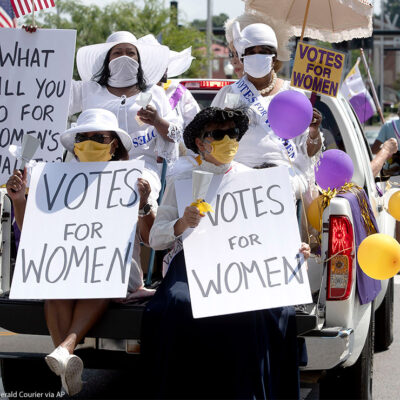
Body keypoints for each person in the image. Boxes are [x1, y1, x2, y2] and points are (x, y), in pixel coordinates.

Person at [141, 106, 311, 399]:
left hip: (247, 266)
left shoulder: (257, 180)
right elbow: (156, 239)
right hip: (194, 264)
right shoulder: (182, 181)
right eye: (218, 135)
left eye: (233, 133)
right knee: (177, 304)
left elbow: (272, 233)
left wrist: (295, 251)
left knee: (259, 310)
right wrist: (181, 223)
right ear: (200, 142)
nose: (228, 139)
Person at [6, 109, 155, 396]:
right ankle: (66, 362)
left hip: (116, 271)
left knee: (100, 276)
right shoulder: (54, 178)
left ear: (114, 145)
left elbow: (150, 237)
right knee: (55, 284)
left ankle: (64, 348)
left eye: (98, 137)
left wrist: (143, 204)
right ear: (74, 146)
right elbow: (33, 232)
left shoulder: (137, 178)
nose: (89, 143)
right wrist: (20, 199)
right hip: (68, 268)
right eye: (82, 138)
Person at [70, 31, 183, 211]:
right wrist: (32, 39)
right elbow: (53, 97)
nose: (124, 57)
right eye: (117, 53)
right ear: (107, 60)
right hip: (92, 165)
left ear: (139, 60)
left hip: (142, 166)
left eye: (130, 53)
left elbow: (175, 135)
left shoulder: (154, 93)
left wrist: (157, 121)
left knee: (135, 194)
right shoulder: (88, 90)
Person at [212, 22, 322, 201]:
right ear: (242, 57)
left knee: (278, 186)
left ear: (274, 56)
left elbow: (309, 152)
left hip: (283, 175)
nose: (257, 56)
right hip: (237, 174)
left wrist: (314, 132)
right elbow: (210, 139)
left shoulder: (293, 94)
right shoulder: (230, 92)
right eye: (251, 51)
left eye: (263, 51)